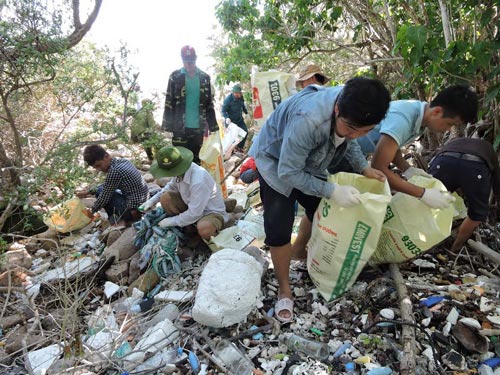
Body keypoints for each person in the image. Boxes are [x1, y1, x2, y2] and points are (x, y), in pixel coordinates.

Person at [249, 77, 391, 323]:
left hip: (309, 158)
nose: (354, 134)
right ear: (337, 109)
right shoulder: (310, 120)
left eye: (364, 130)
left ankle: (300, 252)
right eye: (349, 127)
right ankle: (284, 288)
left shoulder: (352, 109)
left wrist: (363, 167)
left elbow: (351, 138)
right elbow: (288, 172)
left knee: (322, 208)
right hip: (274, 161)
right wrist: (332, 190)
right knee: (279, 226)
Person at [352, 85, 478, 209]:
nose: (448, 129)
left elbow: (391, 144)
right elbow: (378, 167)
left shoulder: (420, 116)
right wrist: (422, 193)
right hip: (345, 150)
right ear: (437, 111)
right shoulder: (403, 120)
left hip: (356, 151)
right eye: (450, 124)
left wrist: (407, 169)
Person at [139, 146, 230, 240]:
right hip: (191, 205)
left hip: (209, 212)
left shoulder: (198, 180)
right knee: (165, 197)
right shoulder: (180, 173)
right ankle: (189, 229)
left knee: (204, 228)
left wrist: (171, 221)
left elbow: (195, 213)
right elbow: (169, 187)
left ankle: (211, 229)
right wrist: (152, 201)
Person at [428, 138, 500, 252]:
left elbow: (436, 158)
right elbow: (497, 183)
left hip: (444, 161)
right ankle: (455, 248)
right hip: (475, 168)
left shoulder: (455, 142)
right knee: (476, 215)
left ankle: (423, 239)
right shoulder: (489, 150)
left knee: (429, 200)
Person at [162, 45, 218, 164]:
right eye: (185, 62)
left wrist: (213, 126)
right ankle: (179, 183)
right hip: (179, 127)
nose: (188, 65)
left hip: (198, 127)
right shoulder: (175, 77)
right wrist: (167, 126)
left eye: (191, 62)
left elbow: (209, 104)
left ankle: (194, 183)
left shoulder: (204, 78)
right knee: (179, 161)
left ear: (196, 59)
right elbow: (168, 101)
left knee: (196, 161)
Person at [79, 145, 149, 226]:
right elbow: (107, 185)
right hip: (144, 202)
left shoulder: (114, 171)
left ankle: (118, 219)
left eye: (99, 165)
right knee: (101, 189)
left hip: (135, 210)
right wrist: (88, 192)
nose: (98, 169)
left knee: (100, 192)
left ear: (106, 156)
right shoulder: (123, 161)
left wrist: (91, 212)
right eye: (95, 167)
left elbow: (104, 198)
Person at [222, 84, 248, 151]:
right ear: (235, 93)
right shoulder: (228, 100)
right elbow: (223, 110)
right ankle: (229, 150)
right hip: (231, 121)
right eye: (239, 93)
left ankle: (239, 147)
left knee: (245, 132)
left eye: (240, 93)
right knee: (231, 137)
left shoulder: (241, 97)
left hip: (239, 119)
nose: (240, 94)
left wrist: (246, 113)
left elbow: (242, 106)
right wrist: (226, 117)